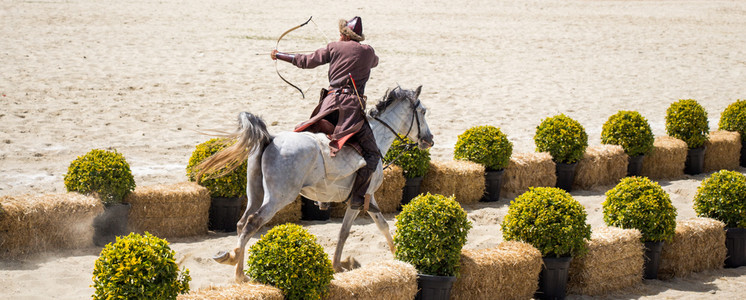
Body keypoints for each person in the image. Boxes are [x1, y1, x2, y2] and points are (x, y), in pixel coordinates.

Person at [271, 16, 379, 210]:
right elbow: (375, 62)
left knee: (315, 136)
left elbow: (305, 61)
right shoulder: (368, 51)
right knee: (372, 154)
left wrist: (279, 55)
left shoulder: (334, 47)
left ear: (344, 35)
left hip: (329, 106)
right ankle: (357, 198)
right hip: (351, 111)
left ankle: (322, 195)